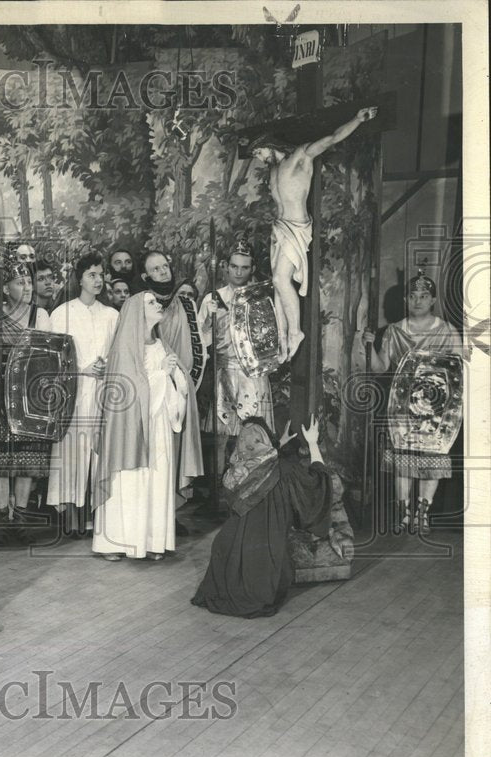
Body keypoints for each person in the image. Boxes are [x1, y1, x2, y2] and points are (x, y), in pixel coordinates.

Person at [250, 106, 378, 361]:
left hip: (296, 225)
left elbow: (332, 138)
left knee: (279, 280)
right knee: (278, 286)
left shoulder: (301, 156)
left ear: (268, 144)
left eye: (258, 151)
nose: (257, 157)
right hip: (280, 227)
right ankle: (283, 336)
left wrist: (357, 118)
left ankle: (296, 332)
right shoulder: (273, 171)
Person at [191, 415, 331, 618]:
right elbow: (316, 483)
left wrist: (278, 444)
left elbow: (259, 457)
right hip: (263, 571)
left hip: (225, 565)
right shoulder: (285, 470)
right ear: (266, 440)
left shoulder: (233, 474)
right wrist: (312, 443)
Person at [363, 270, 466, 533]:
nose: (417, 301)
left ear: (432, 300)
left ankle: (422, 515)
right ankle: (405, 515)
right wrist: (369, 346)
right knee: (404, 461)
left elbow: (458, 370)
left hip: (436, 408)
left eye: (423, 296)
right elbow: (380, 368)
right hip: (402, 407)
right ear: (406, 300)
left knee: (431, 459)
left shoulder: (446, 331)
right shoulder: (394, 332)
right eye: (412, 296)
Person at [92, 292, 189, 561]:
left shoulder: (161, 344)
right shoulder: (125, 346)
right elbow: (128, 390)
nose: (159, 305)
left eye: (158, 302)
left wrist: (172, 374)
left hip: (158, 424)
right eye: (151, 303)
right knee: (129, 481)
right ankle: (114, 543)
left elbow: (179, 384)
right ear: (136, 312)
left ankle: (151, 542)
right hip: (130, 428)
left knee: (155, 479)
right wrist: (162, 373)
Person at [47, 253, 119, 537]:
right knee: (72, 452)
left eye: (101, 274)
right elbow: (51, 357)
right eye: (91, 274)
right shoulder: (62, 313)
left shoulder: (111, 315)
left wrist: (106, 366)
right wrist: (80, 369)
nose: (98, 280)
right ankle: (71, 520)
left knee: (99, 453)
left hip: (103, 394)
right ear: (79, 278)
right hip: (72, 394)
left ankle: (97, 516)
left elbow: (119, 352)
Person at [0, 258, 52, 536]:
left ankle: (19, 519)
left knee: (26, 461)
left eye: (30, 282)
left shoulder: (40, 315)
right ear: (6, 288)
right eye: (20, 283)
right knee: (1, 461)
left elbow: (45, 360)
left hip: (29, 395)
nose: (28, 287)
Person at [197, 234, 274, 473]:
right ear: (226, 267)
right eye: (234, 266)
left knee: (254, 432)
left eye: (244, 268)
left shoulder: (260, 297)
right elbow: (201, 341)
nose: (238, 273)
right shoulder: (213, 298)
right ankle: (221, 485)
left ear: (252, 269)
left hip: (252, 373)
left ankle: (253, 482)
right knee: (222, 436)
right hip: (225, 372)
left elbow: (270, 340)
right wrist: (208, 321)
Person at [135, 252, 205, 499]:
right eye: (156, 269)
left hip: (180, 388)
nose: (164, 271)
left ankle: (172, 511)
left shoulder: (186, 303)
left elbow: (196, 348)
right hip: (151, 391)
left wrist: (183, 385)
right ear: (146, 275)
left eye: (165, 266)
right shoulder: (142, 305)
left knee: (176, 448)